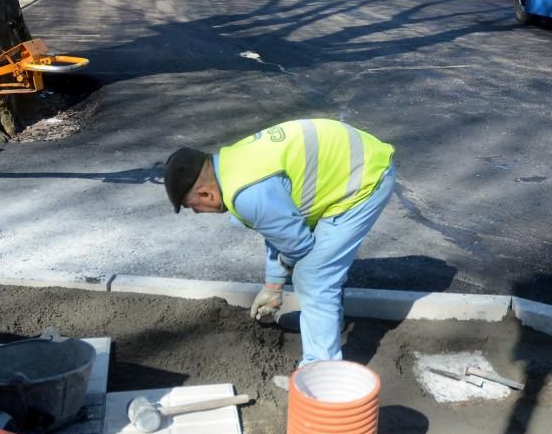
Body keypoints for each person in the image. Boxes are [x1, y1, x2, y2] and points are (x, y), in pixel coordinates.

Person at [164, 119, 396, 366]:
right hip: (346, 166)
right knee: (314, 268)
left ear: (205, 194)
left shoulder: (247, 194)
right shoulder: (232, 165)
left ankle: (319, 368)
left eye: (192, 207)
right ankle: (322, 321)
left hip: (365, 179)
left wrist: (285, 264)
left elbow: (297, 245)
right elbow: (280, 230)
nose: (198, 213)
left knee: (313, 274)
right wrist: (273, 287)